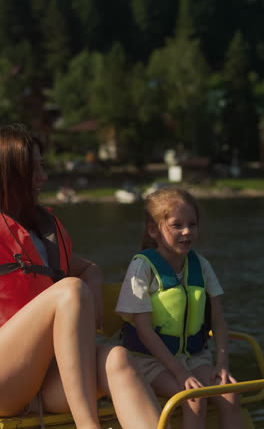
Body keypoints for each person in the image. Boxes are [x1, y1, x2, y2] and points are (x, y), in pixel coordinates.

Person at [0, 123, 161, 429]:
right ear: (9, 175)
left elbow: (87, 269)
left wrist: (96, 283)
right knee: (70, 290)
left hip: (45, 381)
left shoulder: (43, 230)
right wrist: (80, 291)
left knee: (118, 359)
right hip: (5, 381)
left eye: (42, 167)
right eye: (32, 170)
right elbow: (71, 289)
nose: (43, 178)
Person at [116, 186, 243, 429]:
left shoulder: (201, 265)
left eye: (192, 224)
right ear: (154, 230)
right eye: (177, 225)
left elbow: (218, 319)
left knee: (230, 394)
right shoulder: (142, 268)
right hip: (150, 361)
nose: (187, 232)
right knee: (193, 398)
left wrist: (222, 365)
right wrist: (180, 373)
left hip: (194, 357)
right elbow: (144, 330)